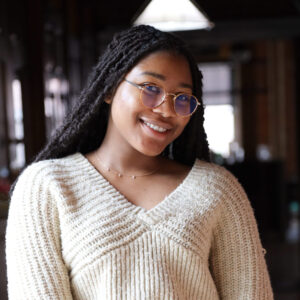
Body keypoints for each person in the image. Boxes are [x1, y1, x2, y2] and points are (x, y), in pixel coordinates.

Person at [6, 25, 273, 299]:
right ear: (109, 88)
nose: (166, 110)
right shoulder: (47, 187)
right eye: (150, 88)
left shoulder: (218, 191)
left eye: (182, 98)